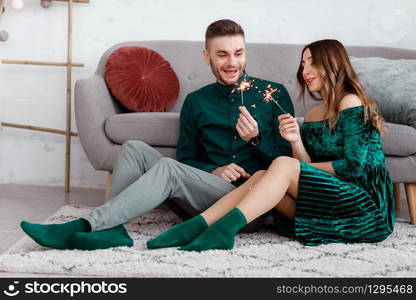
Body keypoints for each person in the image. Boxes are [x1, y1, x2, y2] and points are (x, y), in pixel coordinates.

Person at [20, 19, 294, 250]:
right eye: (222, 54)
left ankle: (88, 224)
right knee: (133, 148)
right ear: (206, 56)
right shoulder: (197, 102)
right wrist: (213, 170)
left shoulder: (274, 94)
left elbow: (286, 163)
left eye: (238, 53)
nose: (232, 62)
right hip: (202, 195)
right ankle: (113, 229)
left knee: (168, 168)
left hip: (247, 205)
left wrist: (256, 140)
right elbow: (187, 156)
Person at [147, 39, 395, 251]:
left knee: (280, 164)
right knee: (263, 174)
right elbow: (305, 169)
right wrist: (295, 141)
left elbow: (353, 167)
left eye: (312, 62)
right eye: (303, 64)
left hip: (364, 204)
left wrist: (288, 166)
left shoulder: (350, 101)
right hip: (328, 199)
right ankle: (199, 224)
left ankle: (224, 229)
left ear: (332, 64)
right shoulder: (311, 115)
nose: (305, 70)